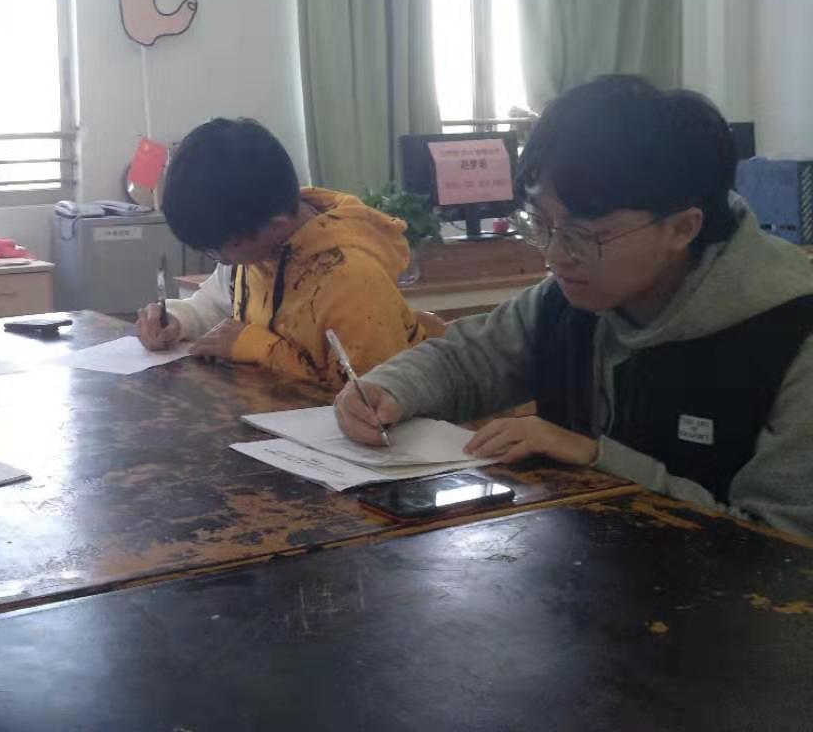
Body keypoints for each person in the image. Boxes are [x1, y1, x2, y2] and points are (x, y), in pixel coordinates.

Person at [335, 76, 813, 539]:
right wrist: (389, 388)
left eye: (586, 235)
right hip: (586, 567)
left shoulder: (792, 336)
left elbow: (783, 547)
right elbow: (465, 362)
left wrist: (597, 459)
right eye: (541, 223)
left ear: (682, 228)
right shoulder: (566, 301)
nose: (555, 256)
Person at [138, 117, 435, 389]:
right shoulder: (253, 239)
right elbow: (215, 307)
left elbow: (371, 393)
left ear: (275, 224)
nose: (223, 260)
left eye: (221, 249)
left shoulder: (351, 278)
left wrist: (257, 347)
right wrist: (178, 319)